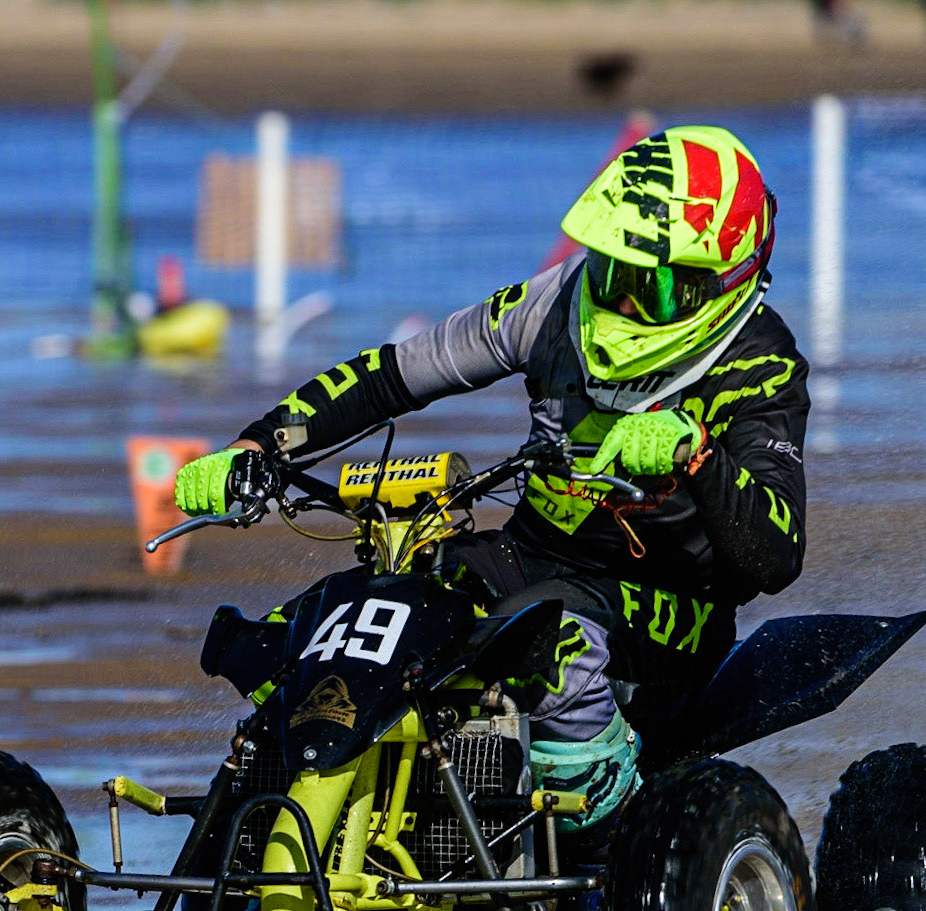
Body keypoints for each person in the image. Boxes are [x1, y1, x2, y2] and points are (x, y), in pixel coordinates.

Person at [175, 126, 809, 844]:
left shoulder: (762, 363)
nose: (621, 300)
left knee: (558, 645)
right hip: (529, 557)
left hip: (671, 605)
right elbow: (393, 373)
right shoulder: (555, 302)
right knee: (344, 617)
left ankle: (614, 847)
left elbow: (776, 555)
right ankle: (247, 853)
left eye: (650, 283)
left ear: (717, 281)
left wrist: (695, 454)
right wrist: (259, 444)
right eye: (612, 269)